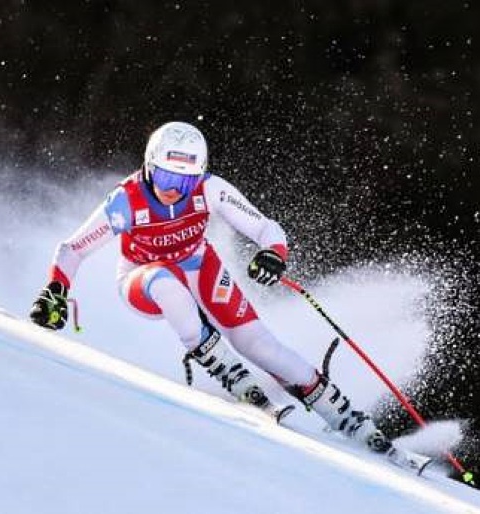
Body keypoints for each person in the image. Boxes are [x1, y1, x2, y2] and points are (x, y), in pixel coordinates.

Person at [30, 121, 390, 453]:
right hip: (143, 280)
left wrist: (274, 254)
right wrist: (56, 291)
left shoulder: (210, 189)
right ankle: (230, 373)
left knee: (258, 343)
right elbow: (72, 249)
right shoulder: (127, 200)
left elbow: (266, 228)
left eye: (184, 182)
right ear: (148, 166)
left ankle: (343, 414)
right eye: (166, 177)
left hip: (199, 266)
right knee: (167, 283)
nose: (174, 190)